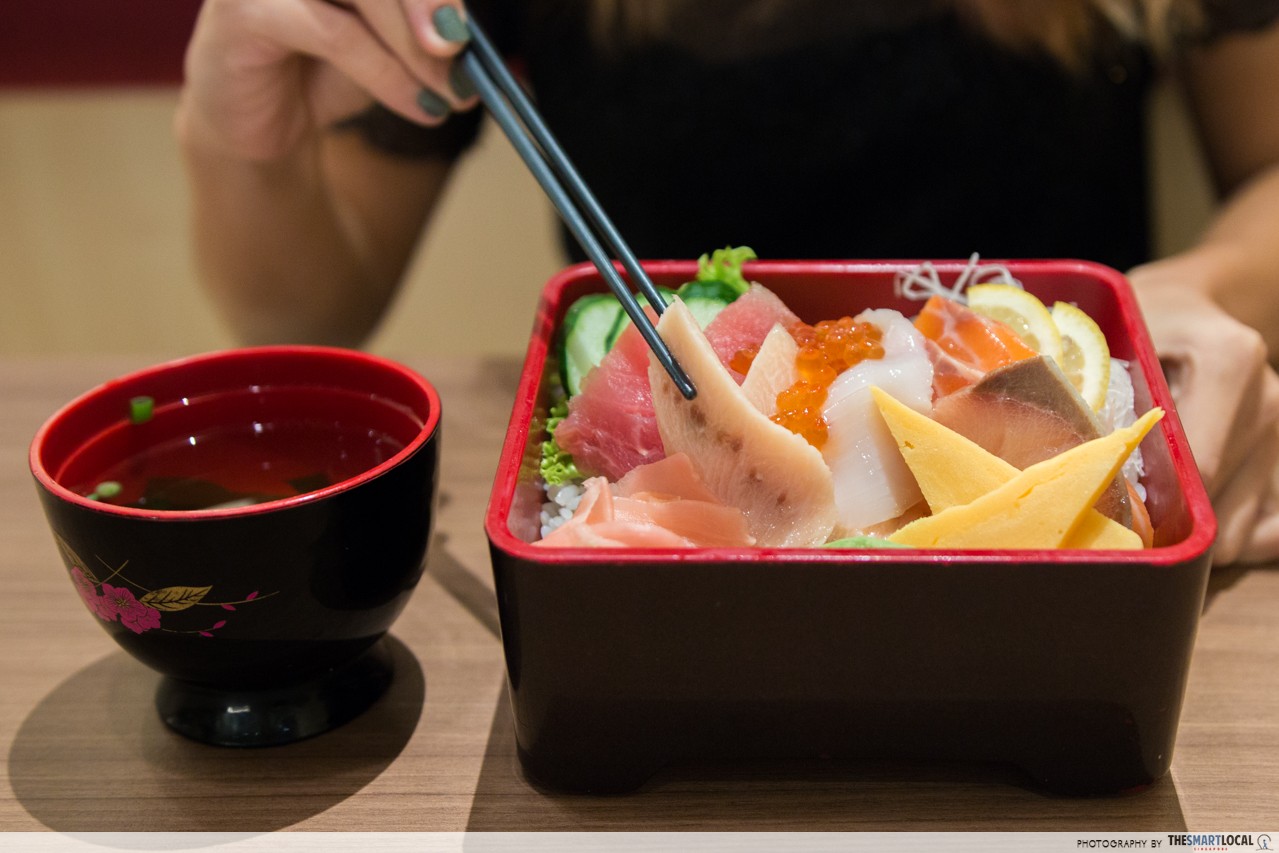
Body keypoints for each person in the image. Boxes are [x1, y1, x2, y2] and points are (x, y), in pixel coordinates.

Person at [176, 0, 1279, 563]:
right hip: (674, 549)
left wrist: (1205, 285)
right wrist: (232, 132)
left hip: (1062, 501)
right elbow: (299, 311)